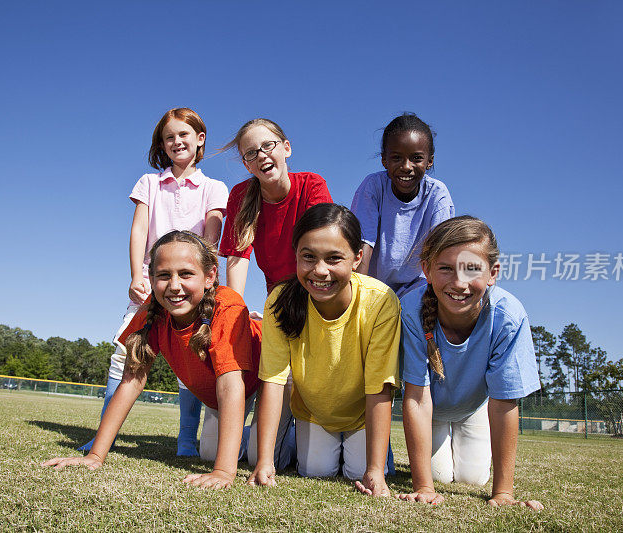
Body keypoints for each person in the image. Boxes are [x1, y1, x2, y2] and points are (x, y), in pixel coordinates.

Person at [45, 231, 277, 489]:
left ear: (209, 276)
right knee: (209, 453)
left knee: (262, 457)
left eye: (186, 274)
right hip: (226, 397)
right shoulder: (152, 310)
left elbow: (231, 385)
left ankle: (292, 432)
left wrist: (224, 472)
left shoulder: (227, 305)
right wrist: (95, 456)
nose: (174, 286)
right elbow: (131, 381)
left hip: (271, 383)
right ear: (152, 278)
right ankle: (250, 437)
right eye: (164, 275)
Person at [78, 107, 228, 456]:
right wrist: (136, 275)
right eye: (169, 137)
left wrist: (203, 282)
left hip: (191, 289)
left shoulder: (213, 187)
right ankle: (105, 435)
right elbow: (139, 230)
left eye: (184, 135)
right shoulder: (149, 183)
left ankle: (186, 441)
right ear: (162, 144)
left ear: (199, 139)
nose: (177, 141)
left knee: (191, 358)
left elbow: (211, 239)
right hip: (153, 282)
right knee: (125, 354)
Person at [248, 203, 400, 497]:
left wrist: (375, 471)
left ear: (356, 259)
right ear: (296, 254)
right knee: (314, 470)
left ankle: (373, 455)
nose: (320, 271)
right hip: (313, 411)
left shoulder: (380, 302)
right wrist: (264, 461)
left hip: (361, 415)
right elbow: (273, 380)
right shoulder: (280, 300)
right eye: (308, 257)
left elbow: (380, 387)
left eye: (334, 259)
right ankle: (283, 440)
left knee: (359, 473)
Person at [398, 216, 543, 509]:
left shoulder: (507, 316)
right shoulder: (411, 310)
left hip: (473, 409)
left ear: (493, 273)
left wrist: (503, 493)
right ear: (426, 269)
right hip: (433, 411)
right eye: (445, 269)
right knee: (439, 477)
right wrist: (423, 487)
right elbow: (416, 398)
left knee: (472, 479)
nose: (459, 283)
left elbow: (503, 402)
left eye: (472, 269)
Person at [219, 118, 332, 295]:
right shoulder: (240, 196)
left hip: (319, 287)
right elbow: (237, 256)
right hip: (281, 299)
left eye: (268, 145)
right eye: (251, 153)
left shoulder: (311, 185)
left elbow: (320, 248)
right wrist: (234, 308)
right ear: (246, 165)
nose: (262, 155)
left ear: (286, 148)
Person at [350, 113, 454, 299]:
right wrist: (358, 299)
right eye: (397, 158)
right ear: (384, 160)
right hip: (373, 287)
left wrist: (436, 300)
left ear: (429, 161)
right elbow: (363, 244)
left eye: (416, 158)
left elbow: (441, 252)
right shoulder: (373, 187)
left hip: (418, 290)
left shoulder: (437, 195)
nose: (406, 166)